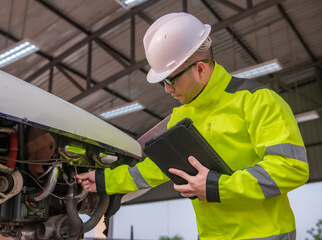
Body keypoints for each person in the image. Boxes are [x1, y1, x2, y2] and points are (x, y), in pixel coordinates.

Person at [75, 12, 309, 239]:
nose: (167, 89)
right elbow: (157, 169)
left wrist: (219, 186)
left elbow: (291, 167)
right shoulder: (180, 117)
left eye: (170, 79)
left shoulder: (257, 100)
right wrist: (104, 181)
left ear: (199, 68)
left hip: (264, 235)